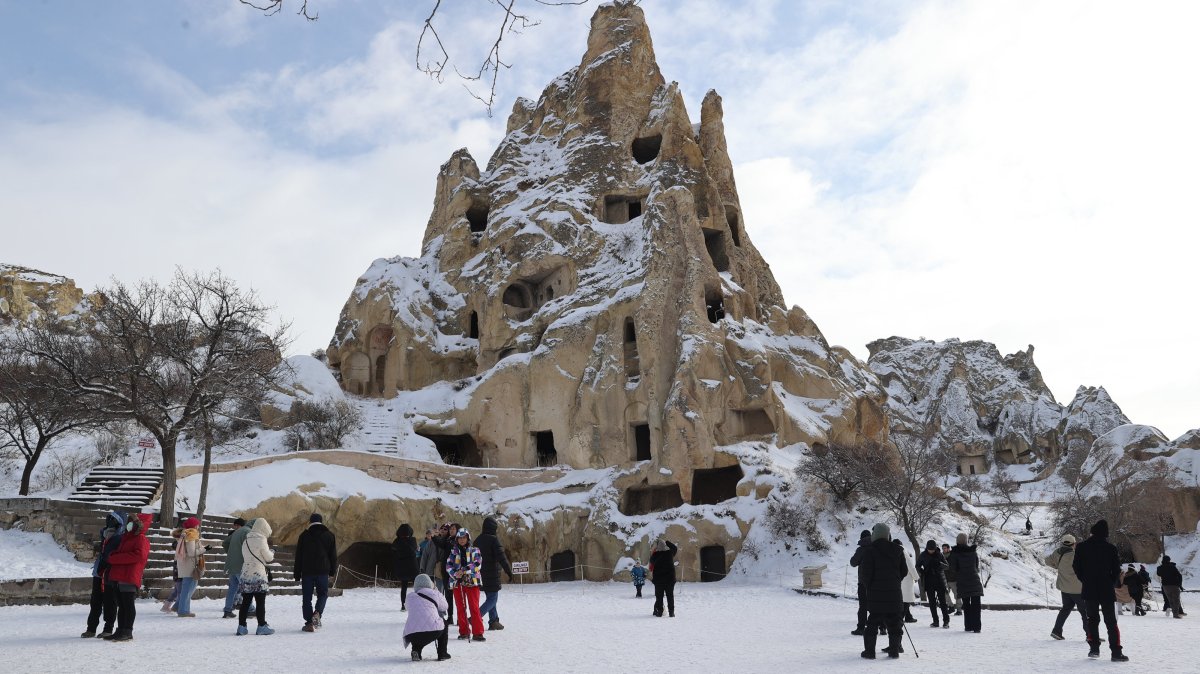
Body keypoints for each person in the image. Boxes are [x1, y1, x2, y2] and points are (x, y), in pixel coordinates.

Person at [1072, 519, 1126, 661]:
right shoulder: (1111, 548)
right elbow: (1116, 570)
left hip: (1089, 588)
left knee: (1092, 619)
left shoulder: (1081, 547)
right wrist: (1110, 581)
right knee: (1111, 621)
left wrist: (1084, 579)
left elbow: (1076, 566)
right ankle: (1116, 652)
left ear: (1092, 531)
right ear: (1105, 534)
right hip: (1106, 589)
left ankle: (1094, 648)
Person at [859, 523, 907, 659]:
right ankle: (894, 651)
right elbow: (904, 571)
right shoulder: (898, 550)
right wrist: (895, 581)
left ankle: (869, 652)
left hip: (875, 594)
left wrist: (870, 585)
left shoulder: (870, 550)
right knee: (894, 623)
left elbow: (865, 574)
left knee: (872, 623)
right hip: (894, 593)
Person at [104, 513, 152, 642]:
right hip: (120, 575)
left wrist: (115, 558)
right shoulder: (127, 537)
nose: (129, 524)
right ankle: (120, 630)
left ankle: (127, 630)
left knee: (128, 605)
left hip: (129, 575)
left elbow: (138, 556)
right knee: (121, 605)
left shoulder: (141, 539)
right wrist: (113, 556)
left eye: (132, 522)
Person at [82, 511, 125, 638]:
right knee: (95, 601)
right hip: (98, 572)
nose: (110, 521)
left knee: (110, 601)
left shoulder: (120, 537)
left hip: (110, 573)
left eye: (113, 519)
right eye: (109, 518)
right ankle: (91, 628)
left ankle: (108, 628)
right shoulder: (104, 534)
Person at [295, 512, 338, 632]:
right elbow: (333, 556)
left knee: (307, 597)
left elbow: (299, 555)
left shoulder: (304, 535)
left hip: (307, 571)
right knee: (323, 594)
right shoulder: (329, 535)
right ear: (321, 521)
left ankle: (309, 623)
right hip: (322, 571)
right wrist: (332, 571)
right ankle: (317, 612)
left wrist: (297, 573)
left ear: (310, 522)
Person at [446, 528, 485, 641]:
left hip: (472, 582)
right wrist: (454, 573)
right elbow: (448, 565)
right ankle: (464, 631)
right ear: (457, 539)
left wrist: (464, 570)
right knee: (460, 607)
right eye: (460, 538)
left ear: (468, 538)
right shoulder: (453, 552)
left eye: (464, 538)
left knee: (474, 607)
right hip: (457, 582)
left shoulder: (475, 550)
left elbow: (477, 564)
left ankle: (478, 632)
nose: (462, 540)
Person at [1044, 533, 1087, 640]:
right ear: (1074, 544)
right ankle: (1091, 635)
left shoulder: (1057, 553)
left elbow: (1047, 561)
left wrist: (1057, 566)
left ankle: (1056, 631)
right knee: (1085, 612)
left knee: (1065, 609)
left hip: (1064, 588)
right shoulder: (1076, 555)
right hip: (1078, 589)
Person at [238, 517, 275, 636]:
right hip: (258, 574)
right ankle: (261, 626)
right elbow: (268, 558)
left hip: (246, 573)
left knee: (246, 602)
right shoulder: (261, 540)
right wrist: (272, 552)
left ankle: (241, 627)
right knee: (260, 602)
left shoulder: (246, 540)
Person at [475, 516, 514, 631]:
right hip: (492, 575)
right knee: (493, 599)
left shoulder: (477, 540)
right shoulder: (493, 539)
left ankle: (494, 621)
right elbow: (502, 558)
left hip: (480, 575)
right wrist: (509, 572)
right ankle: (475, 618)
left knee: (490, 597)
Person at [403, 574, 451, 661]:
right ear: (430, 583)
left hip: (411, 634)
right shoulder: (434, 593)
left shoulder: (410, 596)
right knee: (444, 623)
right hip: (433, 631)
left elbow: (407, 607)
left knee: (416, 626)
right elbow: (445, 606)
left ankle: (416, 651)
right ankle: (442, 653)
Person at [948, 532, 983, 633]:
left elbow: (953, 568)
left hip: (963, 581)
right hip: (974, 580)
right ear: (966, 541)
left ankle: (968, 626)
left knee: (966, 604)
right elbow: (976, 566)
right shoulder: (973, 552)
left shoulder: (954, 553)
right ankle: (977, 627)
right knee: (976, 605)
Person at [173, 516, 204, 618]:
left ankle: (178, 607)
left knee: (187, 588)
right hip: (190, 566)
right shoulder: (191, 535)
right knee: (188, 589)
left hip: (185, 565)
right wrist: (204, 549)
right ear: (195, 525)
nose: (198, 526)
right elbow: (191, 552)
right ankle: (183, 611)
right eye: (197, 524)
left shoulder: (185, 534)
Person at [916, 539, 950, 628]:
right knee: (932, 602)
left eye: (933, 550)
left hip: (939, 580)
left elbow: (947, 566)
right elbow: (917, 566)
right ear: (927, 548)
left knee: (943, 602)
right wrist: (922, 571)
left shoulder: (939, 554)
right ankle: (935, 621)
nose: (931, 551)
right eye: (929, 550)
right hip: (928, 580)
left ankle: (946, 621)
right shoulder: (923, 555)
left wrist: (939, 564)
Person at [222, 518, 250, 619]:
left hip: (232, 565)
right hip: (240, 565)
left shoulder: (234, 534)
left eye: (237, 525)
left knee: (233, 588)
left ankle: (228, 610)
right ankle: (251, 609)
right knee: (245, 587)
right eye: (235, 526)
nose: (236, 527)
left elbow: (225, 543)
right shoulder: (245, 533)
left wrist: (230, 554)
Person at [392, 523, 420, 612]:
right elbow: (415, 549)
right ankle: (418, 604)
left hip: (402, 567)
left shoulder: (397, 541)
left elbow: (392, 549)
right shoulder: (413, 540)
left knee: (404, 587)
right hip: (413, 567)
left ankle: (403, 605)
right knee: (416, 587)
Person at [849, 530, 872, 635]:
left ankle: (861, 627)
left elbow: (853, 562)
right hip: (876, 582)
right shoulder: (876, 547)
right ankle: (882, 627)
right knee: (876, 605)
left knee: (863, 606)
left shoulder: (861, 549)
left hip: (863, 582)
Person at [649, 538, 678, 618]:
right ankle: (671, 612)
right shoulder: (670, 553)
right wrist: (667, 542)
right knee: (670, 596)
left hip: (659, 580)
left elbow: (651, 561)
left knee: (659, 597)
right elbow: (675, 548)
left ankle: (659, 612)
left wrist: (654, 550)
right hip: (670, 579)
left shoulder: (655, 555)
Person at [893, 540, 919, 623]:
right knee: (906, 600)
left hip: (897, 579)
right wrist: (916, 577)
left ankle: (908, 616)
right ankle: (900, 618)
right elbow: (910, 566)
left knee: (902, 599)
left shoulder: (892, 551)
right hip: (906, 579)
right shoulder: (903, 551)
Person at [942, 542, 962, 615]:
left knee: (957, 595)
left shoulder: (953, 555)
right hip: (945, 579)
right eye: (943, 548)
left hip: (954, 579)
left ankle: (959, 610)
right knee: (945, 594)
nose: (944, 549)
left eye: (945, 548)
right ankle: (951, 606)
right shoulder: (941, 556)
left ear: (948, 548)